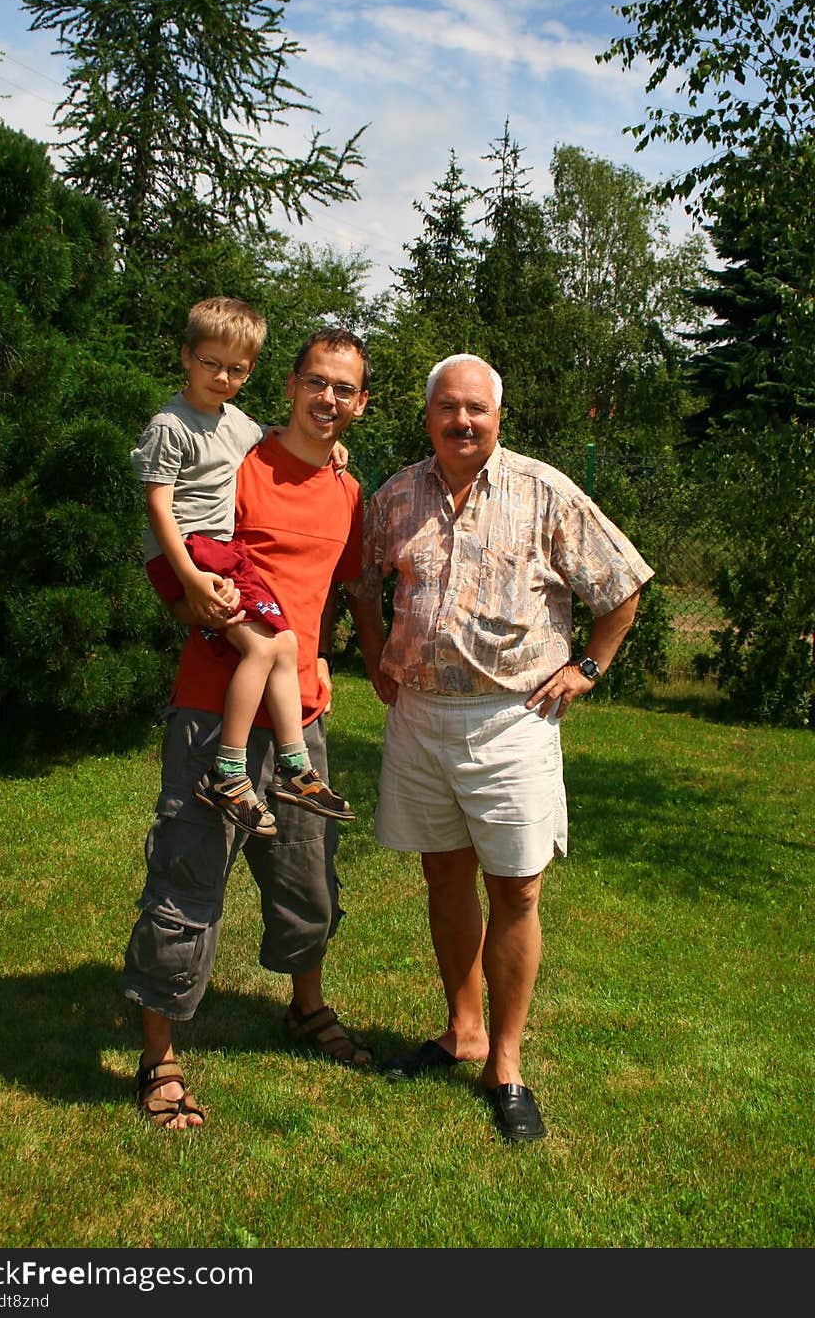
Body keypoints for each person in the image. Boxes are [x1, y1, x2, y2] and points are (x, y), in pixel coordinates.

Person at [346, 353, 654, 1144]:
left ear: (498, 414)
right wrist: (375, 644)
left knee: (516, 889)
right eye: (448, 408)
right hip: (419, 716)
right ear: (427, 418)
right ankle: (463, 1030)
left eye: (477, 408)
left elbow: (621, 587)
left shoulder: (545, 490)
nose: (463, 422)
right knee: (443, 873)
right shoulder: (398, 494)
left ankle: (506, 1064)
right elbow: (359, 575)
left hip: (512, 717)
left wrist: (588, 667)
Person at [122, 327, 373, 1128]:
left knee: (309, 882)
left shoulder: (349, 491)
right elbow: (175, 545)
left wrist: (326, 654)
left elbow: (332, 584)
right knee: (186, 881)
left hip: (302, 712)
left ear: (360, 404)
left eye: (345, 388)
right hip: (212, 708)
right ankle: (158, 1054)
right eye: (316, 382)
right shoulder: (241, 461)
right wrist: (186, 598)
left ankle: (306, 1007)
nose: (328, 398)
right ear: (290, 386)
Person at [131, 296, 353, 838]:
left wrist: (335, 447)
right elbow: (157, 504)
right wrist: (188, 580)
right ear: (186, 356)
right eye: (210, 363)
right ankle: (229, 771)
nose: (221, 377)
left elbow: (282, 438)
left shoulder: (243, 428)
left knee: (286, 643)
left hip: (224, 564)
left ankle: (295, 765)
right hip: (193, 553)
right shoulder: (170, 424)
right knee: (262, 643)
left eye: (235, 369)